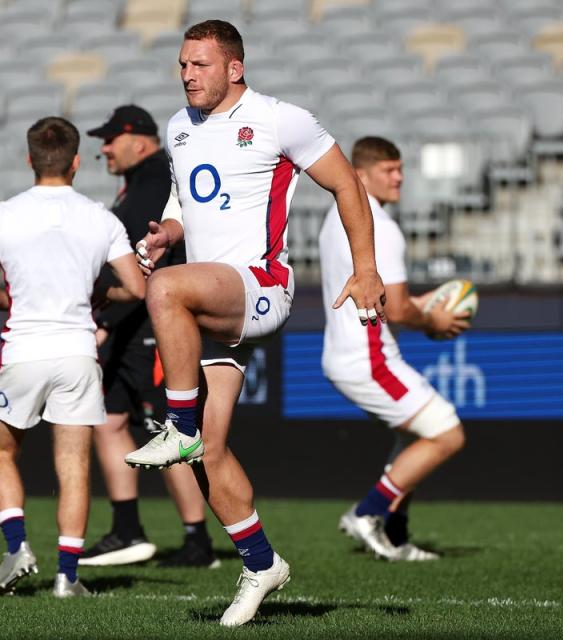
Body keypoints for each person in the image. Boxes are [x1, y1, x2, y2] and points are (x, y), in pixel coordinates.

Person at [127, 20, 388, 626]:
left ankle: (178, 421)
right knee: (209, 456)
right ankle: (261, 561)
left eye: (199, 64)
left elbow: (348, 185)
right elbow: (187, 202)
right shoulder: (180, 126)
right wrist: (168, 230)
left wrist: (367, 267)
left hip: (261, 287)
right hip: (211, 300)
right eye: (182, 65)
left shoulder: (280, 119)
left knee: (163, 288)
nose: (187, 75)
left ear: (234, 69)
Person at [0, 116, 145, 598]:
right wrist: (102, 295)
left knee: (1, 450)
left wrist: (12, 301)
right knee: (73, 467)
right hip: (77, 352)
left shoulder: (4, 214)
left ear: (30, 160)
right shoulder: (100, 217)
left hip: (24, 349)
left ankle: (17, 547)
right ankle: (68, 577)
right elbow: (136, 285)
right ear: (76, 162)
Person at [80, 105, 218, 568]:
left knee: (169, 430)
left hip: (151, 326)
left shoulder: (156, 177)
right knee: (110, 419)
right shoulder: (141, 181)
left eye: (109, 139)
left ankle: (198, 540)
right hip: (129, 322)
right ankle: (126, 529)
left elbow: (144, 261)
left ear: (138, 140)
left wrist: (106, 318)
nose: (102, 149)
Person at [319, 136, 469, 562]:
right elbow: (399, 308)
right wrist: (433, 318)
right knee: (446, 433)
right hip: (369, 357)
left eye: (401, 168)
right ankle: (367, 514)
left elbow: (387, 299)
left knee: (415, 438)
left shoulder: (338, 218)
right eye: (389, 169)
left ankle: (396, 537)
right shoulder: (379, 225)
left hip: (351, 351)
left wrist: (423, 306)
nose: (400, 177)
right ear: (361, 175)